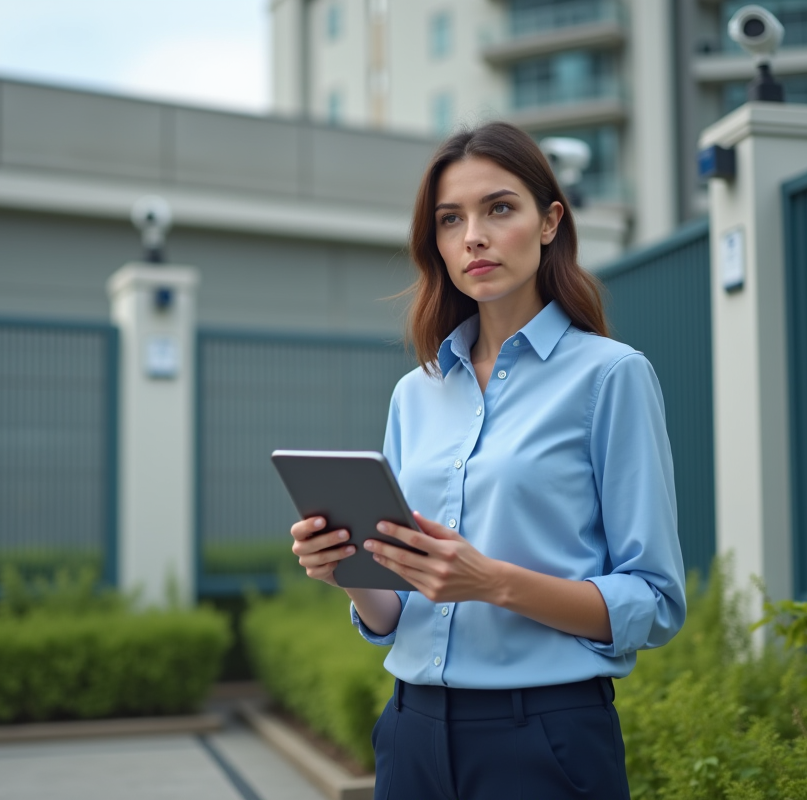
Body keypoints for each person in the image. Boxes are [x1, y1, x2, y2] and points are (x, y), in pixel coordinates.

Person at [289, 121, 687, 799]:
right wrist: (345, 570)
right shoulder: (416, 393)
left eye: (499, 208)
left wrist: (493, 582)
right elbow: (393, 614)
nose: (473, 235)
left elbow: (654, 600)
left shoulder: (610, 376)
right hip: (410, 732)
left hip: (545, 739)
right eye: (451, 219)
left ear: (549, 222)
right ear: (436, 244)